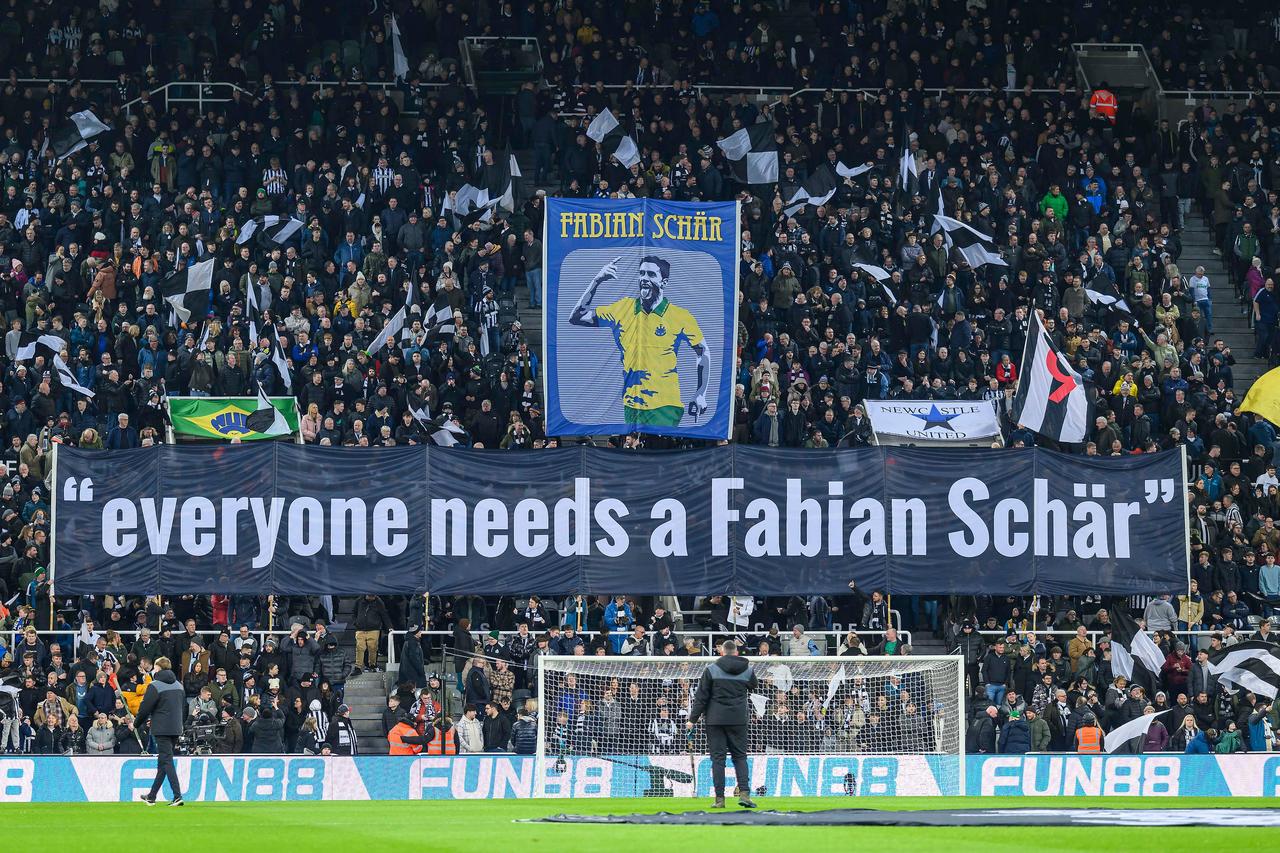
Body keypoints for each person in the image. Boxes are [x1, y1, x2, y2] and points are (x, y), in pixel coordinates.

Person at [569, 254, 710, 428]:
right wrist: (597, 280)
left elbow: (703, 352)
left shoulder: (680, 316)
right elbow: (576, 317)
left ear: (664, 282)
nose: (644, 278)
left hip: (666, 405)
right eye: (641, 273)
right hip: (632, 403)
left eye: (651, 275)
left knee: (654, 452)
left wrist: (700, 393)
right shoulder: (623, 308)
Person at [687, 639, 757, 809]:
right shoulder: (747, 670)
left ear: (721, 652)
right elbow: (754, 686)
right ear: (736, 652)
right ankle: (745, 795)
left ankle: (719, 800)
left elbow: (701, 697)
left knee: (718, 759)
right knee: (740, 757)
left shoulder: (711, 669)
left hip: (715, 720)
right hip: (738, 719)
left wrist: (692, 719)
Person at [131, 656, 186, 806]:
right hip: (176, 728)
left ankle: (177, 795)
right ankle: (152, 796)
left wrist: (136, 723)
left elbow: (145, 707)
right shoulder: (179, 685)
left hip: (161, 728)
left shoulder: (154, 685)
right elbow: (183, 708)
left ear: (158, 668)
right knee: (163, 762)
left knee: (166, 761)